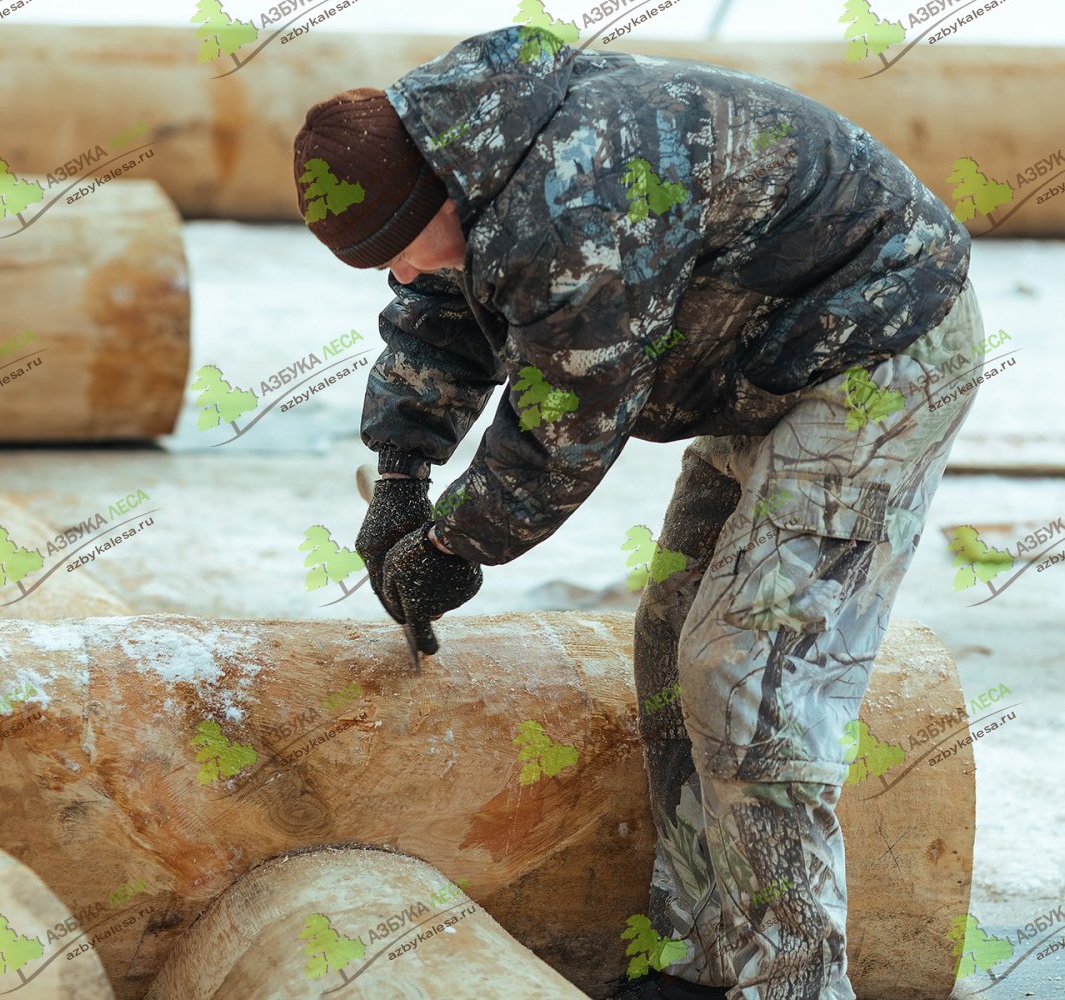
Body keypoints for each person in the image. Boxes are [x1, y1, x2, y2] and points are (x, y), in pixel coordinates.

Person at [291, 25, 982, 1000]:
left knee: (750, 669)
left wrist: (454, 542)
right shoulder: (461, 148)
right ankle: (695, 965)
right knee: (669, 644)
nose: (398, 274)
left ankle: (792, 983)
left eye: (394, 252)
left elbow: (565, 424)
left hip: (880, 352)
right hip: (761, 360)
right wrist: (401, 471)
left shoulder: (580, 195)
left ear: (436, 197)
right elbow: (443, 306)